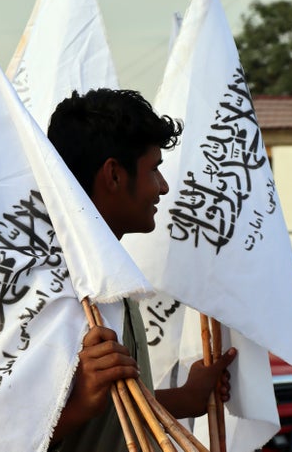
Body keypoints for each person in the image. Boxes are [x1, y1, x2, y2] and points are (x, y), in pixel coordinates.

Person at [47, 88, 237, 451]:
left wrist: (189, 397)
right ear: (114, 176)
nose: (162, 187)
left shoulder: (111, 278)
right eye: (154, 170)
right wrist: (82, 402)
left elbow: (117, 410)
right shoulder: (51, 287)